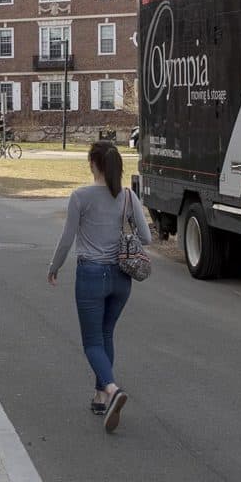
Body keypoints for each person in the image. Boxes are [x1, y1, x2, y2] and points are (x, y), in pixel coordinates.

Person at [48, 141, 152, 433]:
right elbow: (146, 238)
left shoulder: (80, 196)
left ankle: (111, 388)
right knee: (105, 335)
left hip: (91, 275)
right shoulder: (128, 196)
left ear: (94, 163)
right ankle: (98, 397)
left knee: (92, 342)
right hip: (121, 277)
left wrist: (53, 267)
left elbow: (67, 239)